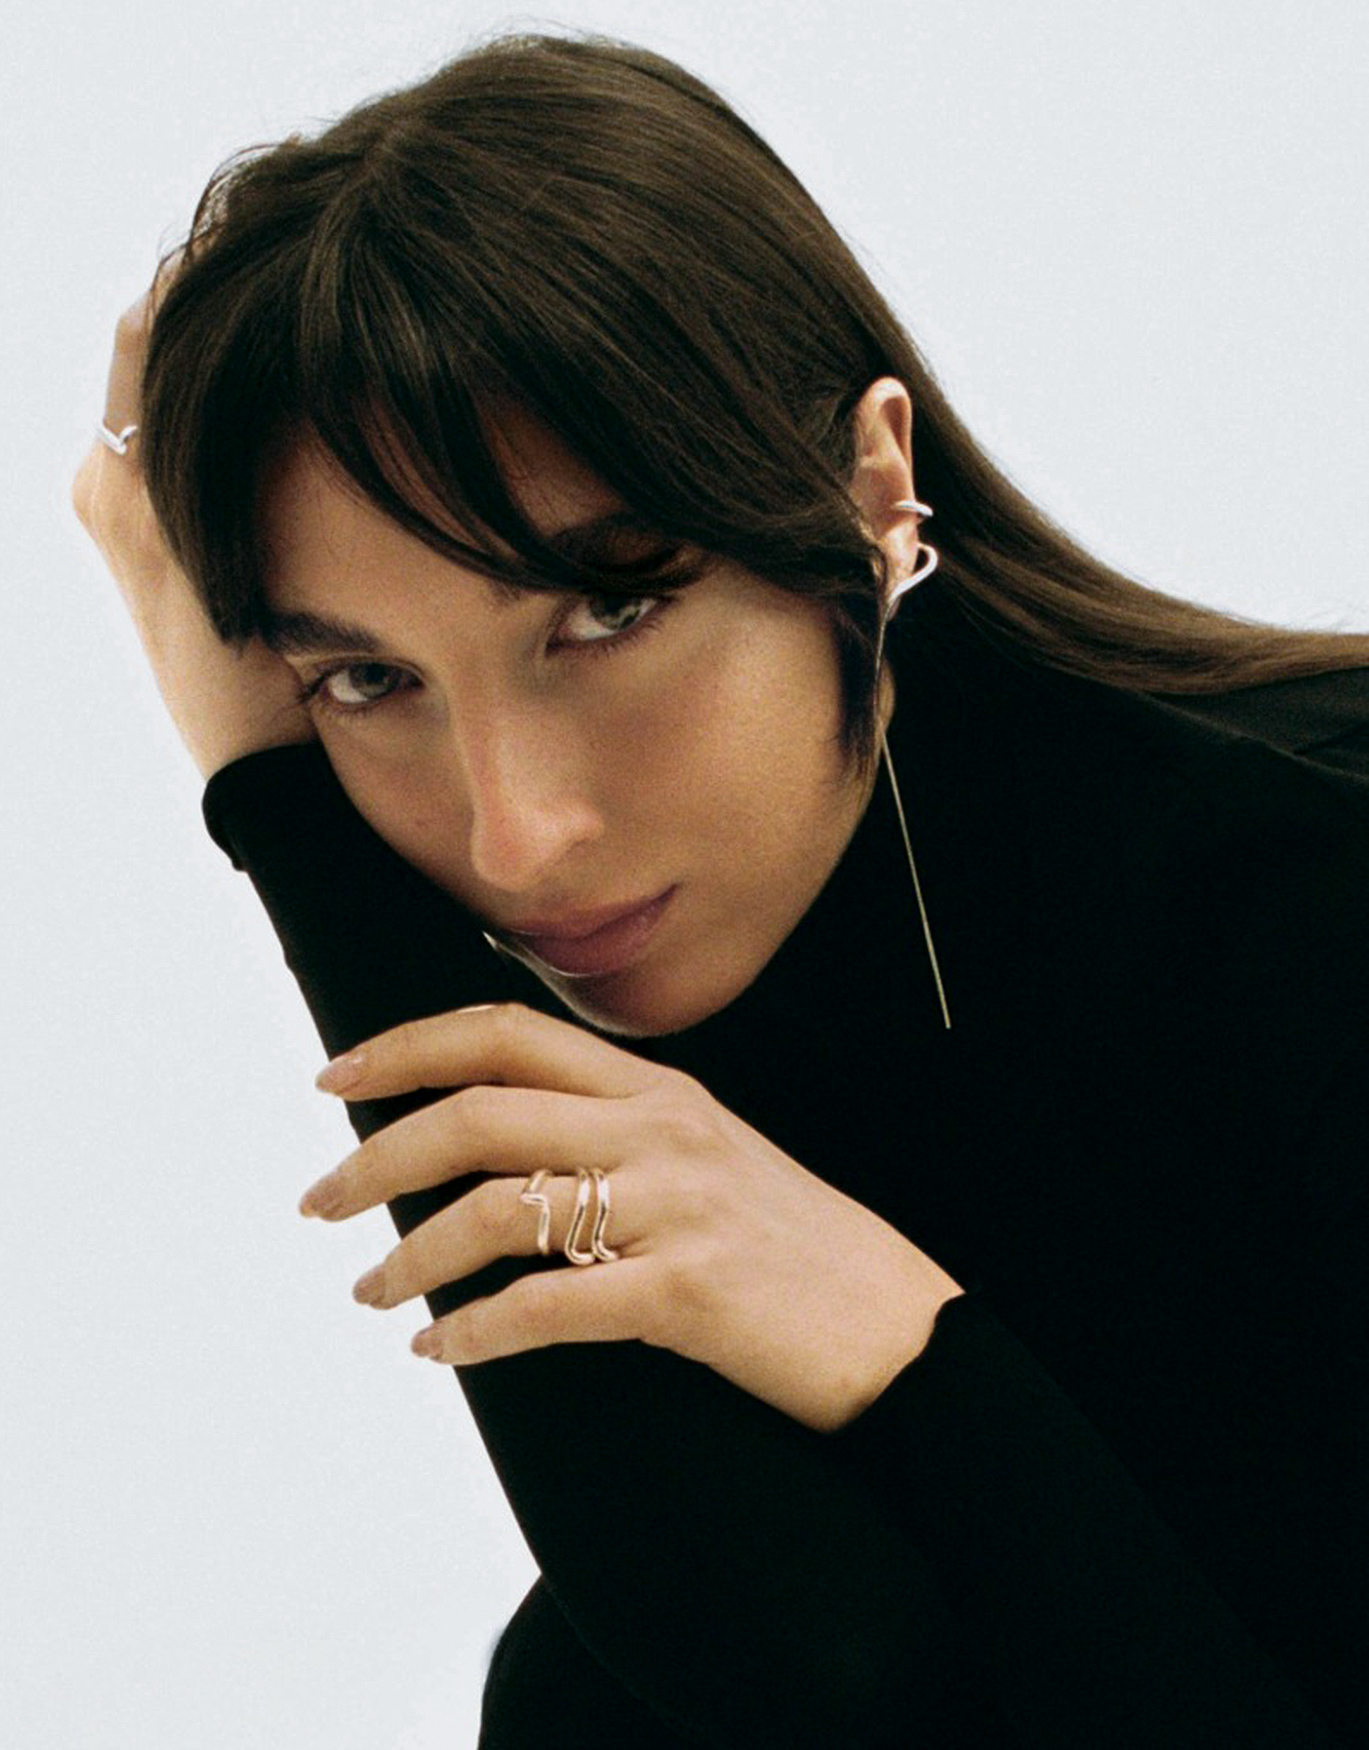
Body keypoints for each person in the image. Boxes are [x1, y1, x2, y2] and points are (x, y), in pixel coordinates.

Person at [73, 31, 1368, 1749]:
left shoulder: (1314, 896)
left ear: (871, 488)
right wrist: (280, 804)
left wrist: (904, 1351)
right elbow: (777, 1655)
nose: (518, 838)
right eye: (366, 678)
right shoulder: (710, 971)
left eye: (608, 611)